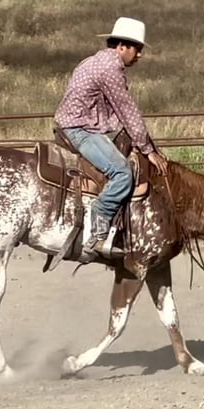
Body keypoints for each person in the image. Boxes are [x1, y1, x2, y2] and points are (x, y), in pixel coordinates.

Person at [54, 16, 169, 258]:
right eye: (137, 49)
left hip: (77, 123)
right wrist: (148, 150)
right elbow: (127, 109)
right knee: (122, 173)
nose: (140, 55)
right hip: (79, 129)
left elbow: (115, 112)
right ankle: (98, 225)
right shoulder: (110, 68)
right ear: (123, 46)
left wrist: (143, 142)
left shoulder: (95, 61)